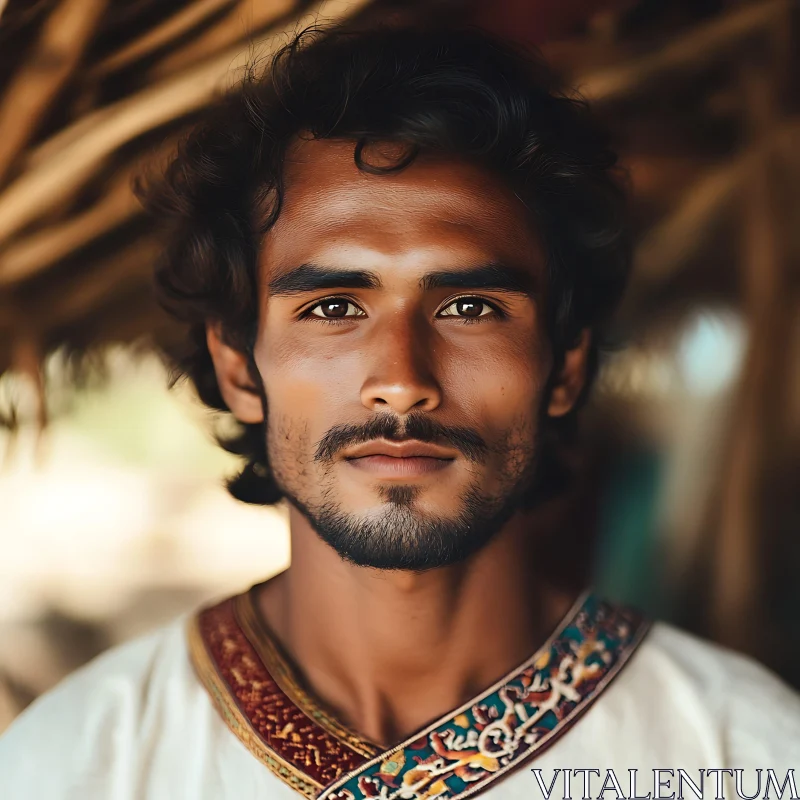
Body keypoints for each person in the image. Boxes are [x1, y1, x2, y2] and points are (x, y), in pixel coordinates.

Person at [1, 23, 798, 800]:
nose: (401, 381)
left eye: (473, 306)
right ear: (239, 368)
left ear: (564, 368)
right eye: (333, 307)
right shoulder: (74, 764)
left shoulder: (745, 754)